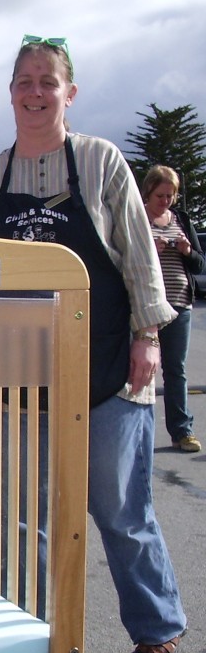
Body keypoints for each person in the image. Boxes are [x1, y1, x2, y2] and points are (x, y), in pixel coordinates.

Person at [0, 34, 187, 653]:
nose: (36, 92)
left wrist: (148, 342)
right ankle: (28, 633)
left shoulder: (101, 163)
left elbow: (142, 262)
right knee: (24, 515)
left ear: (69, 92)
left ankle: (156, 624)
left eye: (47, 81)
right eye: (24, 82)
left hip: (111, 366)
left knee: (121, 512)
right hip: (21, 376)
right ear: (11, 95)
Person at [141, 164, 205, 453]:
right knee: (141, 370)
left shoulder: (181, 219)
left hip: (179, 303)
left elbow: (200, 264)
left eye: (170, 196)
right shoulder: (137, 217)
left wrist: (187, 251)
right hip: (146, 305)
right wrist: (149, 249)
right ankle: (138, 434)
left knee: (175, 370)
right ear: (148, 193)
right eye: (160, 196)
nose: (165, 202)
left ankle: (182, 431)